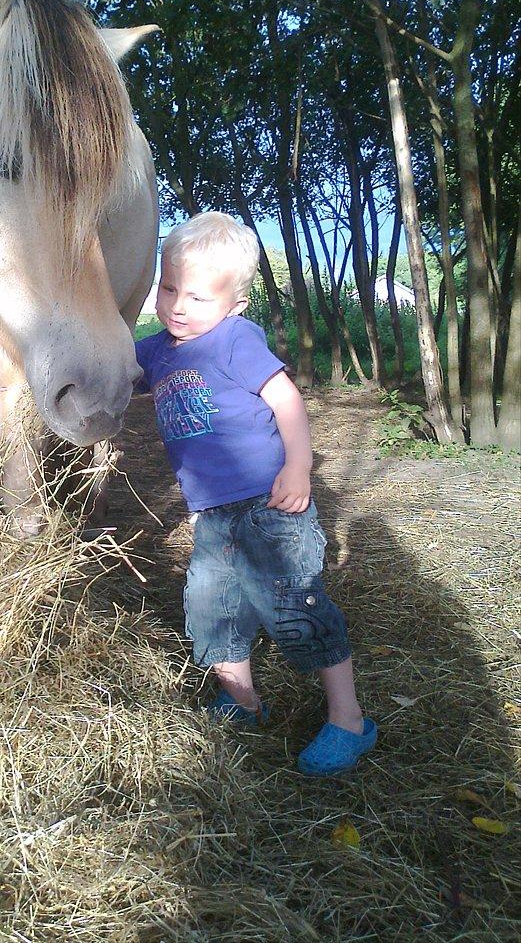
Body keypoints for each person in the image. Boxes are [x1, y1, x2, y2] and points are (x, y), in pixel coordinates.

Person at [135, 212, 376, 776]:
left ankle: (349, 719)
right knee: (211, 604)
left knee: (296, 606)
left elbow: (286, 401)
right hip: (211, 513)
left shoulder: (234, 340)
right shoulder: (159, 350)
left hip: (270, 503)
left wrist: (299, 469)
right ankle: (242, 701)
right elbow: (120, 372)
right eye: (168, 287)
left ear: (234, 304)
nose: (177, 305)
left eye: (195, 296)